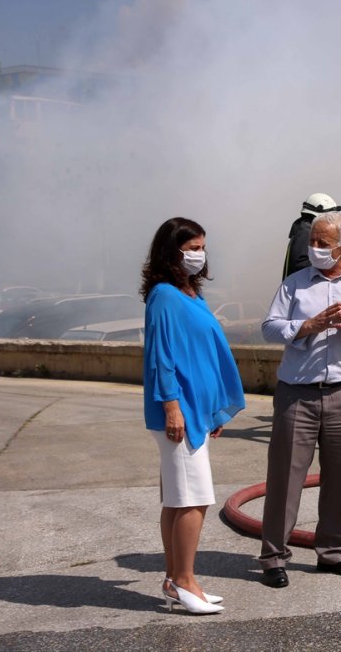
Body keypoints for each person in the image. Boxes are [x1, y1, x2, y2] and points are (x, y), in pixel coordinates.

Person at [259, 212, 341, 588]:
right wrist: (307, 327)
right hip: (296, 393)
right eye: (312, 241)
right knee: (285, 477)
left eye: (322, 243)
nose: (313, 248)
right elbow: (269, 327)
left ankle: (333, 552)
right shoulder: (295, 285)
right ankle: (273, 557)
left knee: (340, 477)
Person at [140, 217, 246, 615]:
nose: (199, 254)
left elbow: (200, 356)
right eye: (193, 247)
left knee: (177, 498)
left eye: (203, 247)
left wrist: (210, 408)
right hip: (177, 412)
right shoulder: (165, 295)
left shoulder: (190, 293)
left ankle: (174, 578)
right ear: (172, 250)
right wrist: (173, 408)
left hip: (192, 411)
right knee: (193, 499)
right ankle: (185, 581)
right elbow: (162, 358)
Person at [282, 192, 341, 279]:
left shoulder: (305, 229)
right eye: (330, 216)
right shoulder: (306, 232)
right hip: (301, 288)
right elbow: (300, 264)